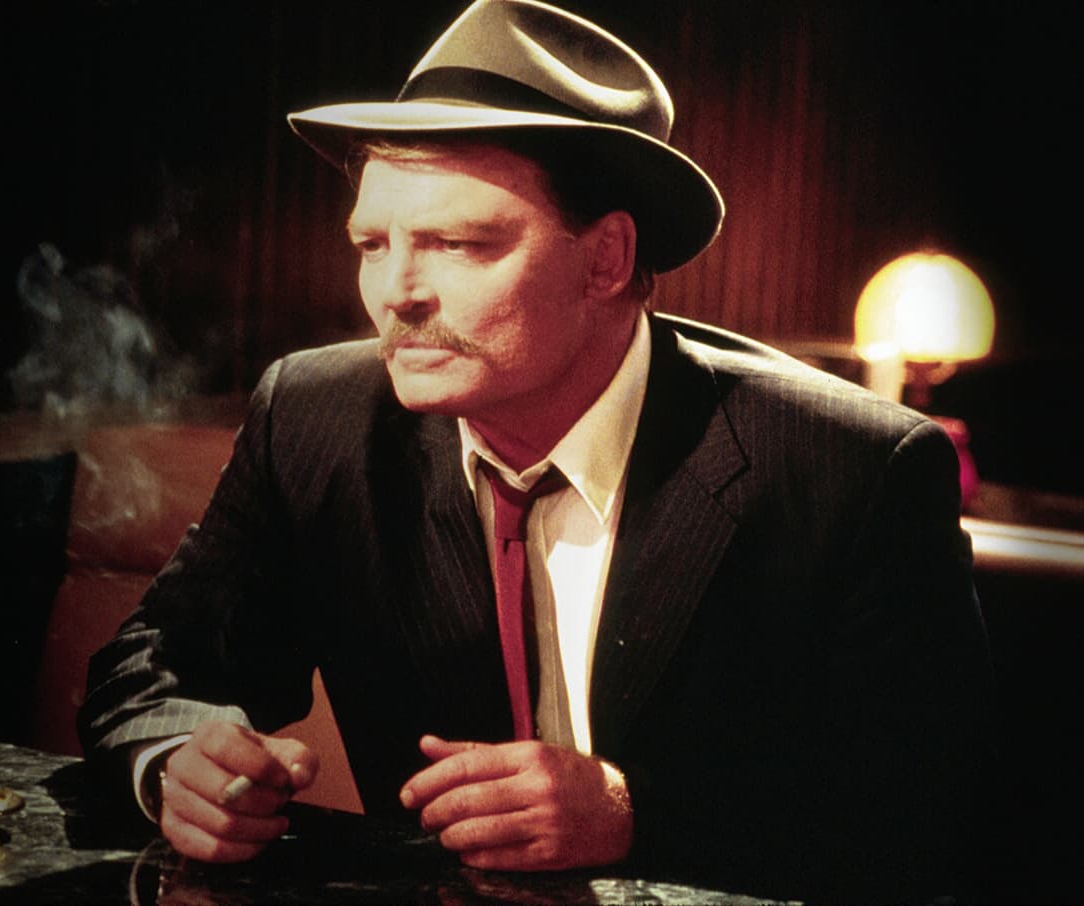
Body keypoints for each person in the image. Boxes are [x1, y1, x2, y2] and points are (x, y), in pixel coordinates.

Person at [78, 0, 992, 900]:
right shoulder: (317, 416)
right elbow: (151, 666)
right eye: (372, 244)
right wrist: (177, 763)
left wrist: (637, 812)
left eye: (457, 244)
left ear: (605, 260)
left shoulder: (851, 469)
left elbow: (930, 815)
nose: (397, 293)